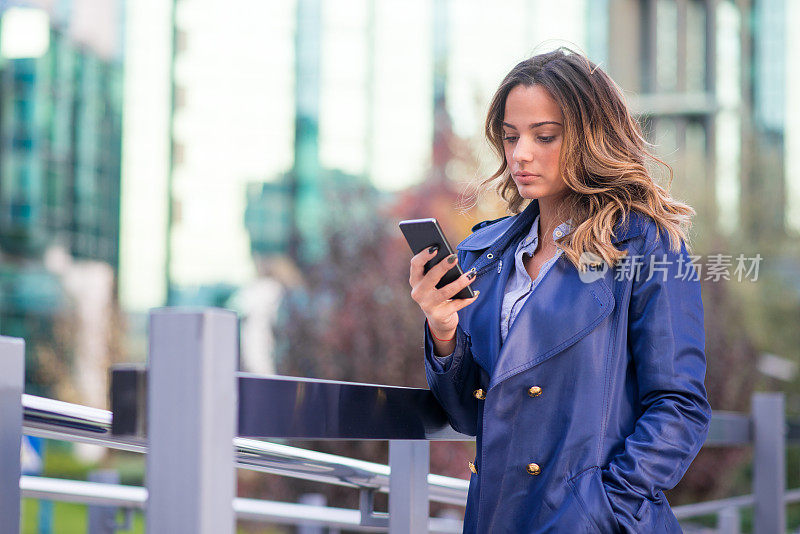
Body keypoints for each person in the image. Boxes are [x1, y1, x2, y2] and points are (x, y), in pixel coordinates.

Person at [408, 47, 711, 533]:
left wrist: (602, 506)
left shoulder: (645, 244)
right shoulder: (485, 252)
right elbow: (469, 414)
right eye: (510, 137)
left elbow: (679, 405)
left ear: (592, 137)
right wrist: (443, 330)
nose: (520, 154)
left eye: (544, 136)